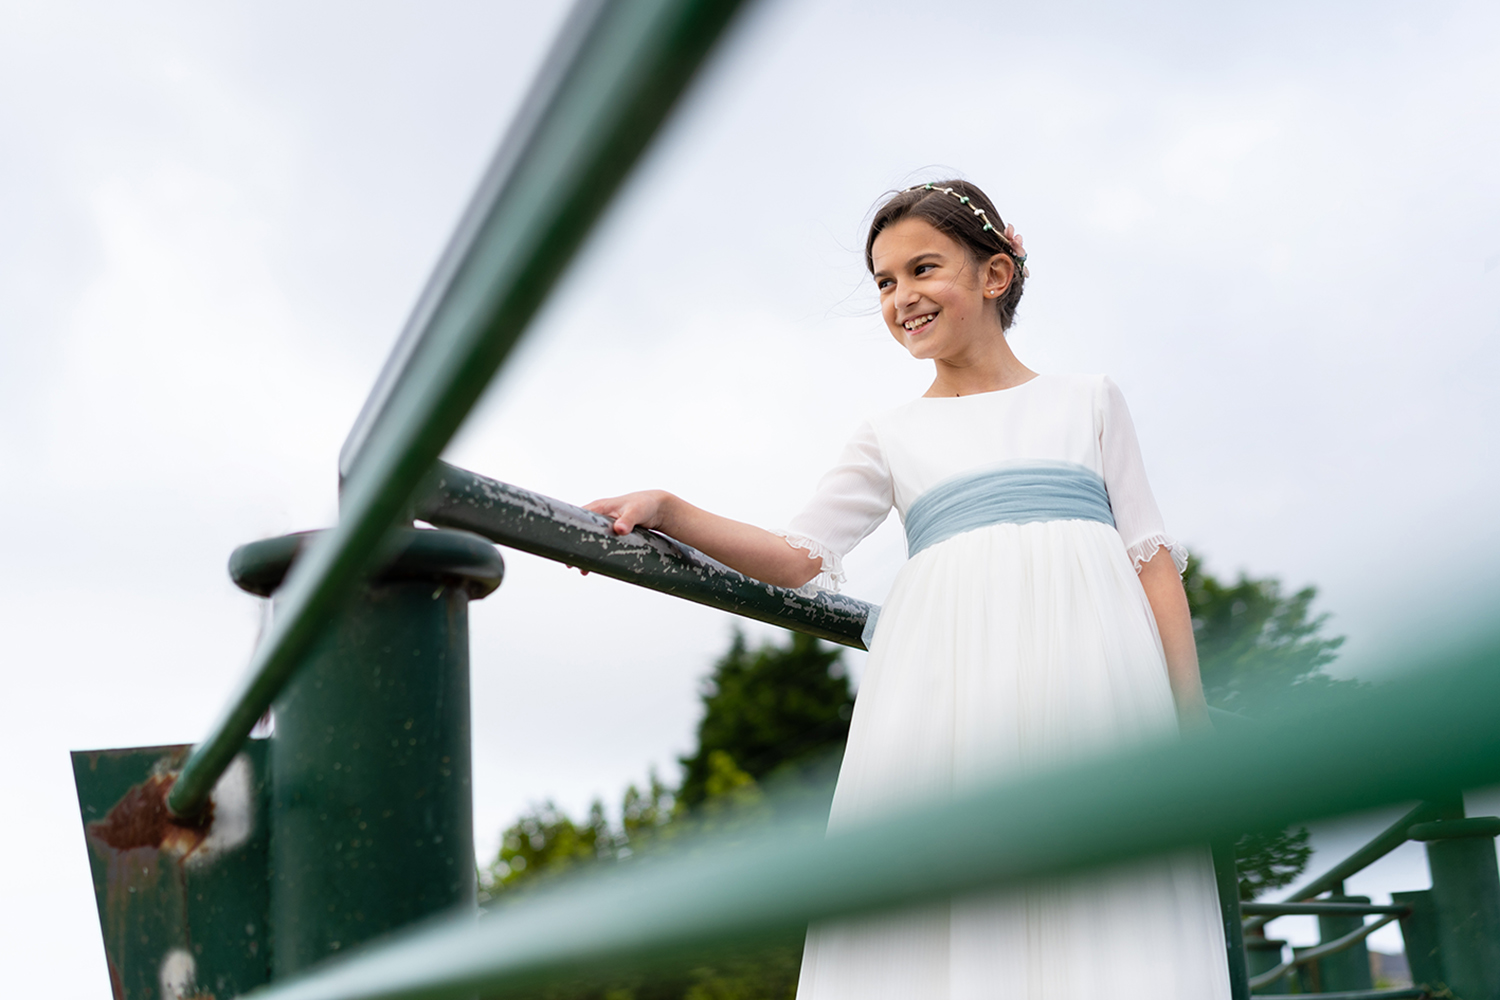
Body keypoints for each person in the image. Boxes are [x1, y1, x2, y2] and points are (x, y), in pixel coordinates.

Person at [585, 180, 1231, 998]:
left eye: (923, 269)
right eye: (885, 282)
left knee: (1104, 894)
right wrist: (672, 509)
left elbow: (1150, 559)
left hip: (1094, 689)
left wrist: (1188, 721)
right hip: (949, 699)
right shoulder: (891, 435)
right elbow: (796, 555)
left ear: (995, 274)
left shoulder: (1089, 401)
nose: (901, 298)